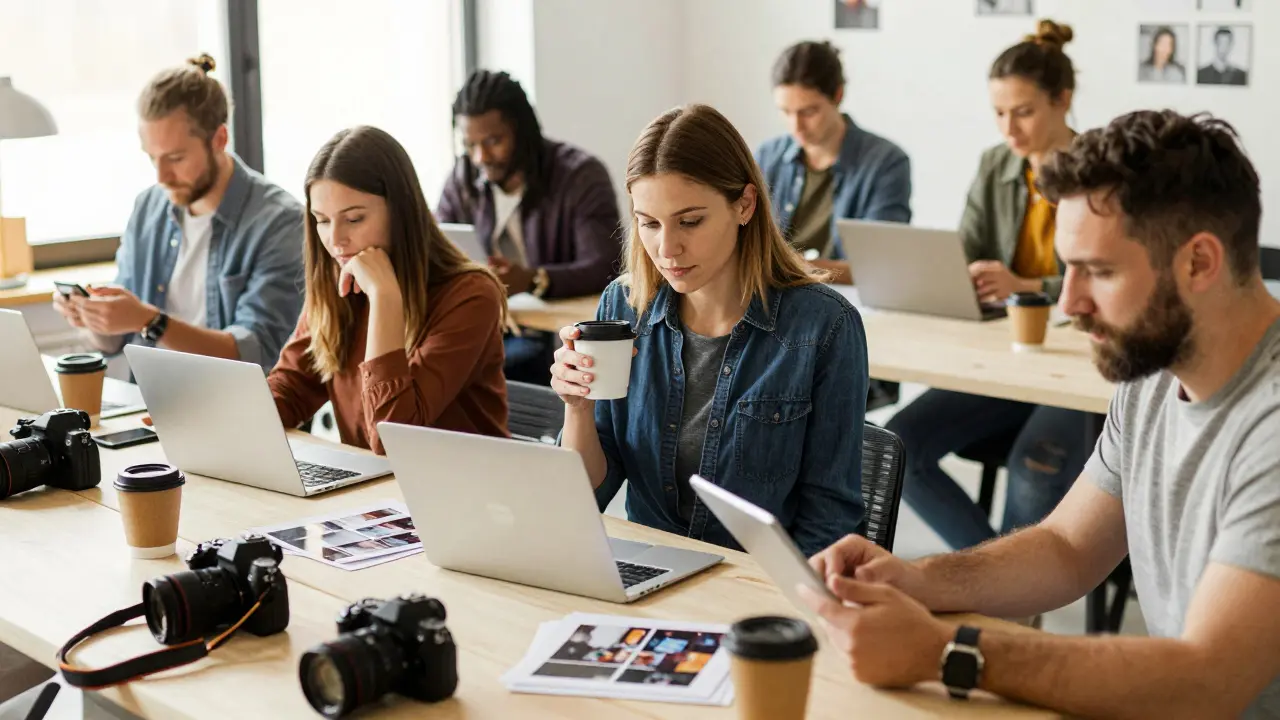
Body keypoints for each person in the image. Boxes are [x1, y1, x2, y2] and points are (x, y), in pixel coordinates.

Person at [800, 109, 1280, 719]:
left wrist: (943, 650)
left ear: (1200, 263)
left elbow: (1208, 681)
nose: (1071, 303)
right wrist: (916, 580)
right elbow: (1068, 547)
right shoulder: (1154, 373)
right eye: (1068, 267)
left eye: (1099, 272)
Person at [553, 104, 869, 558]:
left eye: (690, 221)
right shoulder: (623, 307)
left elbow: (829, 521)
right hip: (649, 565)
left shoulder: (823, 326)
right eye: (649, 223)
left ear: (744, 205)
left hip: (758, 584)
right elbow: (588, 496)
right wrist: (577, 408)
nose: (667, 248)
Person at [886, 20, 1087, 551]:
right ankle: (1002, 590)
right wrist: (960, 275)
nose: (1009, 128)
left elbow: (1116, 278)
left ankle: (1005, 594)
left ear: (1062, 100)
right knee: (898, 443)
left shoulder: (1104, 168)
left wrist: (1024, 283)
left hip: (1079, 365)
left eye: (1023, 112)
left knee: (1035, 468)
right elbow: (968, 249)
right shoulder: (995, 163)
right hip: (1002, 356)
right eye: (999, 113)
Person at [52, 54, 304, 372]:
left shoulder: (280, 223)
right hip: (152, 404)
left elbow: (257, 355)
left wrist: (152, 321)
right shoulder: (148, 208)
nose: (161, 177)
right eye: (152, 158)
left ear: (219, 139)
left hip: (233, 408)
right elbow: (115, 342)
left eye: (176, 158)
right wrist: (91, 319)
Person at [268, 126, 509, 455]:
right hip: (374, 494)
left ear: (400, 212)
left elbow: (392, 438)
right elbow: (290, 391)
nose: (335, 241)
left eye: (354, 219)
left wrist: (384, 299)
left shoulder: (470, 295)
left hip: (460, 495)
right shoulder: (337, 282)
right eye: (321, 220)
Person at [437, 69, 623, 384]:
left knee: (468, 376)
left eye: (494, 141)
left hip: (552, 335)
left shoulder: (580, 176)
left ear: (522, 131)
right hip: (487, 325)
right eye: (470, 145)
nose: (480, 156)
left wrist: (533, 279)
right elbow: (437, 245)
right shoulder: (463, 179)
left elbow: (605, 265)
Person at [756, 40, 911, 285]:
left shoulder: (886, 162)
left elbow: (881, 268)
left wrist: (791, 266)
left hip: (847, 303)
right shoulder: (767, 156)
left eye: (808, 112)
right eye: (785, 112)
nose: (796, 126)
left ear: (837, 95)